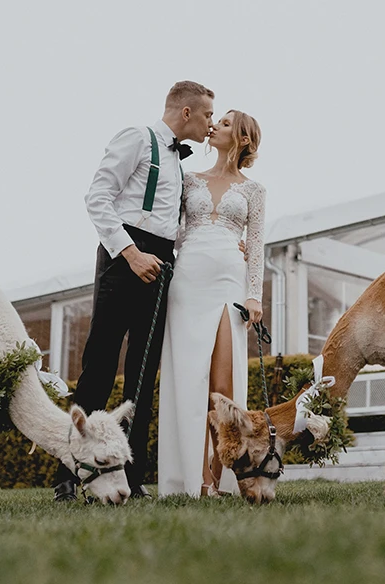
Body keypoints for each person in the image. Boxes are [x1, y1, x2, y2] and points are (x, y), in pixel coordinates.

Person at [54, 81, 215, 502]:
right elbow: (97, 198)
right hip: (124, 257)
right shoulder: (136, 138)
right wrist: (132, 253)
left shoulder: (180, 164)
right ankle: (69, 475)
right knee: (100, 368)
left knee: (143, 379)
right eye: (207, 115)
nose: (211, 124)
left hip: (163, 263)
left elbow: (169, 224)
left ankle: (131, 475)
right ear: (186, 113)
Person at [158, 109, 265, 498]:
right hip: (188, 281)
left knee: (223, 386)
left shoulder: (254, 191)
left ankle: (222, 477)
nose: (213, 126)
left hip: (229, 285)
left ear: (241, 137)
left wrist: (255, 294)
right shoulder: (188, 181)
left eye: (223, 123)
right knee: (191, 382)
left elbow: (256, 246)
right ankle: (200, 480)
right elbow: (174, 233)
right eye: (214, 120)